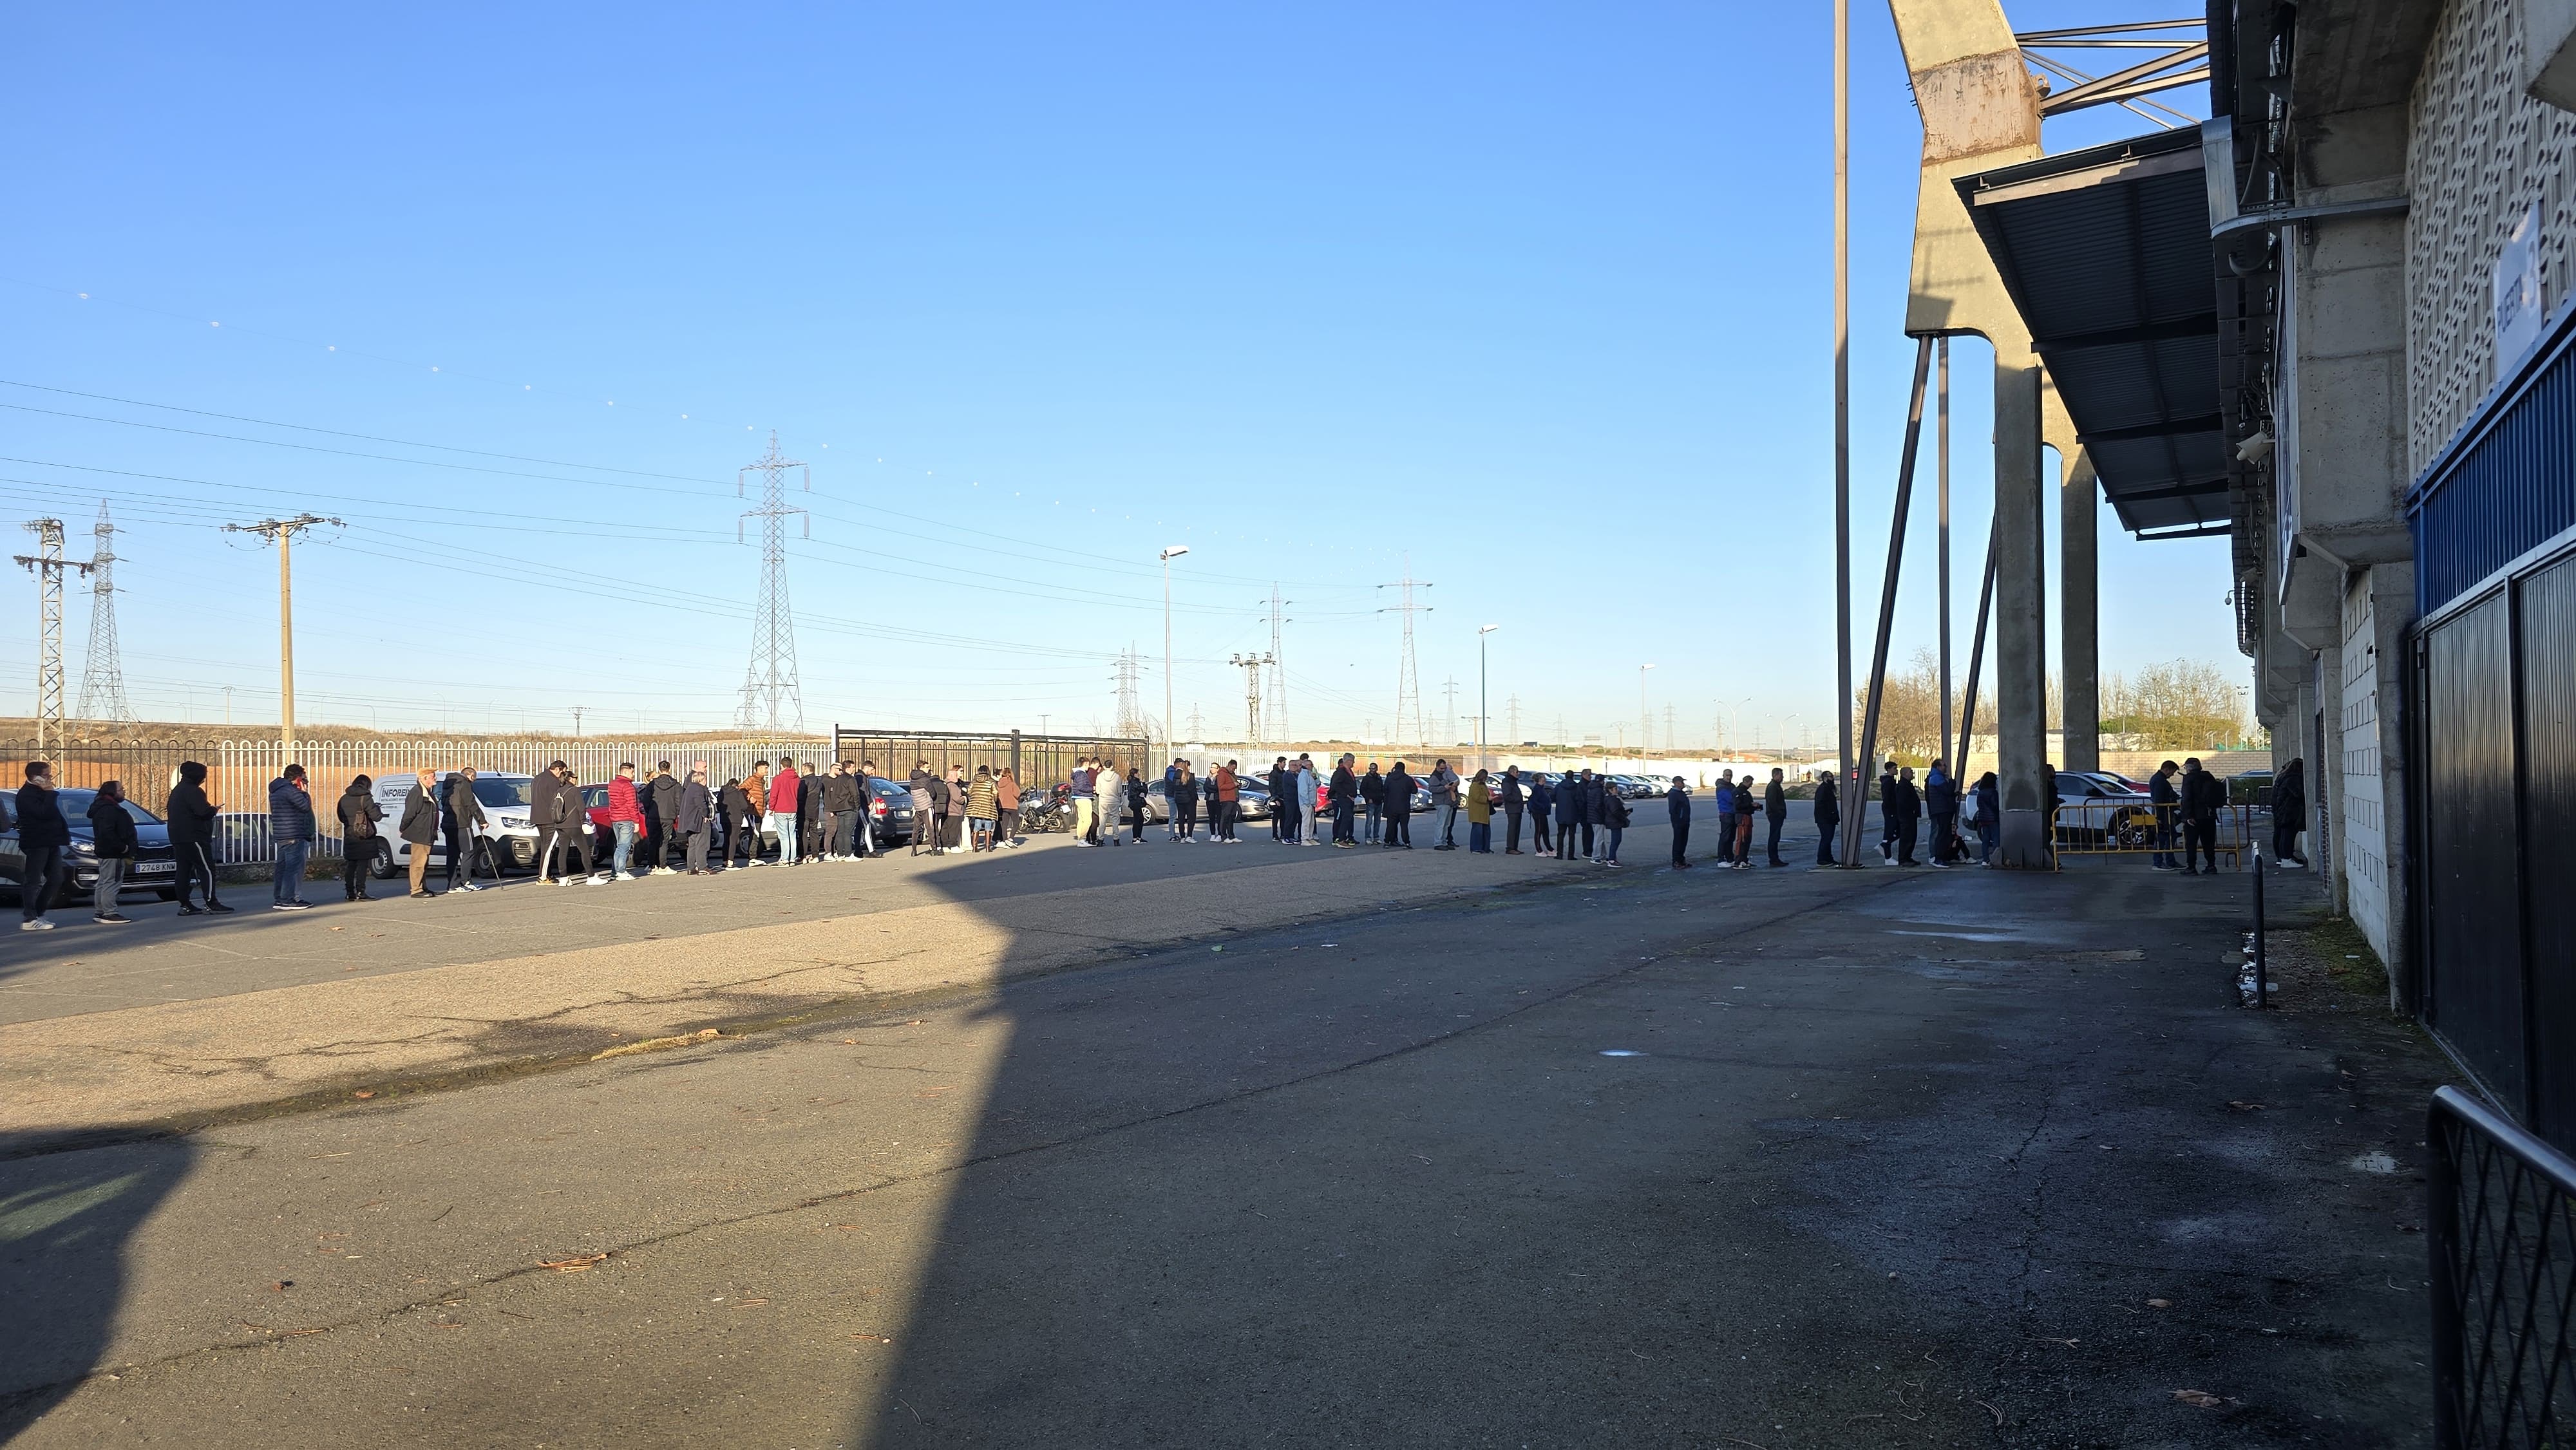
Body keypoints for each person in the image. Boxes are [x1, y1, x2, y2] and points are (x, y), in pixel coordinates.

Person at [167, 760, 229, 915]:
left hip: (178, 837)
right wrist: (213, 810)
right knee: (206, 868)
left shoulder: (178, 791)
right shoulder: (194, 791)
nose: (205, 778)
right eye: (204, 775)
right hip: (194, 836)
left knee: (184, 870)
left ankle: (185, 904)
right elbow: (203, 812)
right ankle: (211, 901)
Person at [17, 763, 70, 930]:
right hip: (36, 842)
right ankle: (29, 917)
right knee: (33, 880)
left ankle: (39, 912)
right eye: (47, 776)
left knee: (56, 878)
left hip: (51, 841)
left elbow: (53, 816)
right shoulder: (26, 795)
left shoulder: (42, 793)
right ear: (35, 777)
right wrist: (50, 794)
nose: (50, 779)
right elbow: (44, 813)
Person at [84, 779, 139, 923]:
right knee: (111, 882)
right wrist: (123, 847)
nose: (124, 791)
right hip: (113, 852)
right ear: (112, 792)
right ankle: (109, 912)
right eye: (121, 789)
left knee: (104, 881)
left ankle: (101, 911)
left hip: (106, 851)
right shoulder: (109, 809)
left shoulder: (103, 807)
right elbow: (107, 832)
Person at [270, 764, 317, 910]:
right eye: (304, 778)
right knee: (292, 868)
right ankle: (288, 899)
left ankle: (280, 898)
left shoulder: (276, 791)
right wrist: (304, 792)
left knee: (282, 868)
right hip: (294, 834)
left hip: (282, 834)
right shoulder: (291, 791)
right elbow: (304, 807)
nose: (305, 781)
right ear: (297, 778)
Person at [334, 775, 382, 904]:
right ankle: (361, 892)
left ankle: (350, 893)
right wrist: (377, 808)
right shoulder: (366, 798)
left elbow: (341, 816)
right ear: (367, 785)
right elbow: (376, 817)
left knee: (351, 864)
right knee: (362, 864)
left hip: (350, 834)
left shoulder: (344, 798)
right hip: (364, 835)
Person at [443, 767, 489, 892]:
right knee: (469, 851)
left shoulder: (448, 784)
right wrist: (482, 820)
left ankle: (452, 885)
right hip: (462, 824)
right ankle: (466, 881)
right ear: (471, 776)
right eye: (475, 778)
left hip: (448, 824)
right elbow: (471, 803)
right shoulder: (464, 784)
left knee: (452, 855)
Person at [398, 768, 442, 896]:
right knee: (418, 861)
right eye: (433, 776)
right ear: (425, 778)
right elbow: (409, 813)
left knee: (424, 862)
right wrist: (403, 828)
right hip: (420, 832)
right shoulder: (417, 792)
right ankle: (416, 890)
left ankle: (423, 887)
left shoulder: (427, 792)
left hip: (428, 832)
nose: (435, 779)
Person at [604, 763, 646, 880]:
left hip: (615, 818)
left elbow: (612, 802)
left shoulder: (612, 784)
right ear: (626, 771)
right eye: (632, 772)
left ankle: (615, 871)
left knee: (619, 846)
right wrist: (636, 822)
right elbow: (632, 805)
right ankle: (621, 871)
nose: (633, 775)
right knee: (625, 846)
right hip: (626, 819)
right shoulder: (628, 786)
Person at [2181, 757, 2221, 874]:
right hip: (2210, 815)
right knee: (2209, 843)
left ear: (2189, 768)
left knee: (2191, 843)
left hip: (2195, 816)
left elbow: (2187, 797)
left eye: (2186, 767)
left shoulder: (2189, 779)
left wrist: (2188, 816)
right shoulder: (2209, 776)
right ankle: (2211, 865)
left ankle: (2191, 867)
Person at [766, 755, 803, 867]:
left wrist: (772, 807)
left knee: (784, 835)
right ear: (791, 765)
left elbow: (774, 795)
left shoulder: (778, 778)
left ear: (782, 766)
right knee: (792, 834)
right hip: (793, 808)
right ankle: (792, 858)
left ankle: (785, 859)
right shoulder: (797, 779)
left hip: (781, 809)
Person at [2270, 758, 2308, 866]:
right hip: (2290, 811)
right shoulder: (2293, 779)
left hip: (2281, 810)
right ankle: (2286, 858)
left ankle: (2283, 857)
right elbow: (2299, 794)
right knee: (2288, 835)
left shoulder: (2283, 777)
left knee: (2281, 834)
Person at [647, 762, 681, 874]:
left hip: (654, 815)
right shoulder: (675, 785)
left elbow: (645, 800)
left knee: (653, 840)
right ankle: (662, 865)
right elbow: (678, 802)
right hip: (668, 816)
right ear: (669, 769)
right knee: (665, 841)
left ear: (659, 769)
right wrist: (675, 813)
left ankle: (652, 865)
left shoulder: (652, 784)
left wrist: (650, 811)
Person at [679, 767, 714, 873]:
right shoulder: (699, 789)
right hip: (699, 820)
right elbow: (701, 804)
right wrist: (706, 815)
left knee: (692, 844)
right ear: (702, 780)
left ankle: (691, 868)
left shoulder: (689, 789)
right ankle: (702, 866)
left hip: (690, 821)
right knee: (702, 844)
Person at [2148, 760, 2182, 871]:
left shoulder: (2159, 779)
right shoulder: (2160, 781)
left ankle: (2170, 861)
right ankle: (2158, 863)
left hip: (2165, 813)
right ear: (2167, 769)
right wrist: (2158, 818)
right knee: (2162, 838)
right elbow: (2159, 800)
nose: (2172, 775)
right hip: (2163, 815)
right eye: (2172, 772)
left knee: (2170, 837)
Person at [1924, 759, 1958, 867]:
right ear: (1938, 767)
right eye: (1944, 765)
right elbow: (1947, 791)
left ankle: (1941, 857)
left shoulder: (1936, 778)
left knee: (1944, 834)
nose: (1946, 768)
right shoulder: (1937, 778)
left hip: (1942, 809)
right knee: (1942, 834)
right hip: (1942, 809)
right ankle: (1938, 858)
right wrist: (1952, 782)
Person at [1888, 766, 1922, 866]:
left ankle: (1908, 857)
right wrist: (1910, 811)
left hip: (1910, 815)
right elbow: (1902, 802)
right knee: (1907, 837)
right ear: (1905, 774)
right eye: (1911, 772)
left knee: (1912, 837)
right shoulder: (1903, 786)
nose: (1913, 774)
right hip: (1906, 816)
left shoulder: (1907, 785)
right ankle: (1903, 859)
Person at [718, 775, 753, 869]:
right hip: (736, 819)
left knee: (726, 840)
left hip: (725, 818)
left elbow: (718, 806)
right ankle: (731, 861)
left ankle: (725, 861)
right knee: (733, 840)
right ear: (737, 786)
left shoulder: (722, 792)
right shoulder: (737, 793)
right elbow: (744, 806)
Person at [1596, 779, 1630, 867]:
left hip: (1613, 821)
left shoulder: (1609, 798)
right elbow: (1615, 811)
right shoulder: (1613, 799)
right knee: (1616, 840)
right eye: (1615, 789)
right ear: (1610, 790)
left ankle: (1612, 858)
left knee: (1616, 840)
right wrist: (1623, 817)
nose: (1617, 790)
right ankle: (1611, 859)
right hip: (1614, 821)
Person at [1428, 759, 1461, 849]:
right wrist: (1444, 788)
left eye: (1445, 768)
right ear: (1437, 767)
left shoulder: (1445, 774)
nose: (1443, 770)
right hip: (1441, 802)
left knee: (1447, 824)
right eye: (1442, 768)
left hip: (1448, 802)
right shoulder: (1435, 776)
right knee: (1441, 823)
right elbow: (1431, 789)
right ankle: (1438, 843)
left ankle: (1444, 842)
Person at [1971, 771, 2001, 865]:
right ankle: (1996, 859)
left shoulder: (1980, 792)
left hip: (1983, 818)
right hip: (1993, 818)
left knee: (1985, 840)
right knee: (1996, 839)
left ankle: (1985, 860)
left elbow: (1978, 805)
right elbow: (1995, 805)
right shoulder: (1993, 792)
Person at [966, 766, 999, 851]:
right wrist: (994, 800)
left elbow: (969, 791)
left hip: (976, 805)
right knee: (988, 824)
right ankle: (988, 847)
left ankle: (975, 847)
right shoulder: (991, 781)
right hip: (988, 804)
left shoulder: (974, 781)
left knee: (977, 824)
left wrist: (975, 797)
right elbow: (996, 793)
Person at [1383, 761, 1414, 848]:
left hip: (1391, 806)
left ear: (1395, 768)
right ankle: (1407, 842)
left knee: (1390, 825)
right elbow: (1415, 790)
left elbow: (1385, 790)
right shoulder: (1408, 779)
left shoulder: (1389, 779)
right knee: (1404, 826)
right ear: (1404, 769)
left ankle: (1387, 842)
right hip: (1404, 806)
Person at [1813, 769, 1841, 866]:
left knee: (1828, 839)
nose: (1832, 779)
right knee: (1826, 839)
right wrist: (1828, 815)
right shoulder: (1823, 789)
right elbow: (1820, 804)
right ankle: (1821, 859)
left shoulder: (1828, 788)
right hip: (1825, 820)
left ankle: (1828, 858)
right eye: (1830, 777)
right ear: (1825, 778)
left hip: (1829, 819)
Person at [909, 762, 937, 856]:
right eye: (927, 767)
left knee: (916, 829)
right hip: (926, 805)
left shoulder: (913, 779)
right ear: (922, 768)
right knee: (930, 828)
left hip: (918, 806)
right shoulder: (925, 779)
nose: (928, 769)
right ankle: (934, 849)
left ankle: (914, 850)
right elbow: (933, 793)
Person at [1329, 755, 1358, 847]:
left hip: (1350, 799)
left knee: (1348, 818)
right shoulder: (1341, 772)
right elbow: (1335, 785)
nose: (1353, 763)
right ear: (1348, 761)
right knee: (1346, 817)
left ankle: (1344, 838)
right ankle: (1340, 839)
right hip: (1343, 798)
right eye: (1353, 761)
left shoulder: (1348, 771)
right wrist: (1346, 794)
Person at [1763, 767, 1789, 867]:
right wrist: (1779, 812)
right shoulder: (1773, 787)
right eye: (1781, 775)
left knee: (1775, 837)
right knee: (1774, 837)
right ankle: (1774, 859)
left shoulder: (1776, 786)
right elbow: (1772, 802)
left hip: (1776, 815)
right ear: (1776, 775)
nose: (1782, 777)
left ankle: (1775, 858)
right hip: (1775, 815)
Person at [1526, 770, 1554, 861]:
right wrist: (1542, 806)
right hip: (1538, 813)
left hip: (1543, 813)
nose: (1545, 779)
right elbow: (1534, 801)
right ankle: (1539, 850)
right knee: (1539, 831)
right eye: (1543, 778)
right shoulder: (1537, 789)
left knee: (1546, 831)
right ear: (1540, 779)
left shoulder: (1541, 788)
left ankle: (1549, 849)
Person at [1730, 774, 1756, 869]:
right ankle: (1738, 861)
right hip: (1742, 817)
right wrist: (1750, 805)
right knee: (1742, 839)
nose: (1751, 785)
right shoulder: (1737, 792)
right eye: (1751, 783)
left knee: (1747, 839)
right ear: (1747, 781)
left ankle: (1744, 859)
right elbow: (1738, 806)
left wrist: (1754, 807)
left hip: (1748, 816)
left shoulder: (1746, 792)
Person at [1665, 775, 1691, 869]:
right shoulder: (1673, 794)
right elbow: (1673, 809)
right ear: (1677, 783)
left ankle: (1681, 859)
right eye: (1681, 782)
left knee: (1684, 841)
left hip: (1685, 820)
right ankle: (1676, 861)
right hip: (1679, 822)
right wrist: (1678, 820)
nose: (1683, 784)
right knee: (1678, 841)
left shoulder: (1681, 793)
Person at [1071, 757, 1098, 845]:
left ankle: (1080, 839)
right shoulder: (1081, 774)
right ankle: (1082, 839)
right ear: (1086, 764)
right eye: (1088, 764)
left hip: (1079, 798)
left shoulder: (1078, 774)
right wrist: (1092, 789)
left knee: (1082, 819)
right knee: (1087, 820)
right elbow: (1082, 787)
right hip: (1084, 798)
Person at [1466, 769, 1494, 853]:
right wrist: (1487, 799)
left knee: (1486, 831)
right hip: (1477, 812)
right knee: (1477, 831)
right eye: (1485, 777)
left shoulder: (1483, 785)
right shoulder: (1475, 785)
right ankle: (1475, 848)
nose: (1486, 779)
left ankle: (1485, 848)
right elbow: (1476, 797)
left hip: (1484, 812)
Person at [1714, 769, 1738, 867]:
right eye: (1727, 775)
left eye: (1730, 775)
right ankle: (1721, 859)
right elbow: (1731, 799)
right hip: (1726, 814)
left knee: (1731, 837)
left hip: (1733, 813)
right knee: (1725, 837)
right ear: (1723, 775)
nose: (1729, 777)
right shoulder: (1721, 787)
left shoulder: (1731, 786)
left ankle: (1729, 858)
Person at [1499, 767, 1526, 854]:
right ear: (1512, 772)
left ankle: (1515, 847)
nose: (1518, 773)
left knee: (1517, 829)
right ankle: (1510, 848)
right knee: (1512, 828)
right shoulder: (1507, 781)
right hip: (1512, 808)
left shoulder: (1513, 781)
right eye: (1517, 772)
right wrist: (1517, 799)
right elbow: (1507, 796)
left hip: (1518, 808)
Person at [995, 767, 1022, 849]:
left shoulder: (999, 784)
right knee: (1016, 823)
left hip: (1003, 807)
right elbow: (1017, 794)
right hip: (1012, 806)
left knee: (1004, 825)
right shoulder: (1012, 783)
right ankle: (1011, 838)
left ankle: (1005, 839)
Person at [1171, 760, 1198, 842]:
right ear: (1188, 767)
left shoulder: (1176, 775)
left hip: (1179, 799)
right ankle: (1189, 836)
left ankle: (1182, 837)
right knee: (1191, 818)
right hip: (1189, 800)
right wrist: (1194, 798)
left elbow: (1175, 787)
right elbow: (1191, 789)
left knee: (1181, 819)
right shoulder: (1189, 776)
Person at [1213, 760, 1239, 843]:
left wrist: (1238, 785)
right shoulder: (1222, 773)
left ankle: (1231, 835)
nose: (1233, 770)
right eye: (1233, 768)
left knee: (1232, 818)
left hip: (1234, 798)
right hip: (1226, 798)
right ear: (1229, 765)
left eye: (1235, 769)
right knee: (1225, 817)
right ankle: (1223, 836)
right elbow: (1221, 786)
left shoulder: (1232, 775)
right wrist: (1233, 785)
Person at [1361, 762, 1386, 843]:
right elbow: (1363, 790)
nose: (1372, 770)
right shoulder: (1366, 778)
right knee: (1369, 821)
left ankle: (1376, 837)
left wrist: (1383, 798)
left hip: (1379, 802)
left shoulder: (1379, 778)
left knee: (1378, 821)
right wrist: (1368, 799)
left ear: (1377, 769)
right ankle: (1368, 838)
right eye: (1370, 768)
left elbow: (1382, 789)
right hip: (1371, 802)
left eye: (1373, 768)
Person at [1126, 768, 1150, 844]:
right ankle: (1135, 838)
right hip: (1135, 803)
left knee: (1141, 819)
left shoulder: (1135, 782)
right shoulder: (1134, 783)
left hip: (1137, 803)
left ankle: (1138, 837)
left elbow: (1143, 791)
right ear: (1135, 774)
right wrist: (1144, 787)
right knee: (1137, 820)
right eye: (1138, 773)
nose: (1139, 774)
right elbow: (1143, 790)